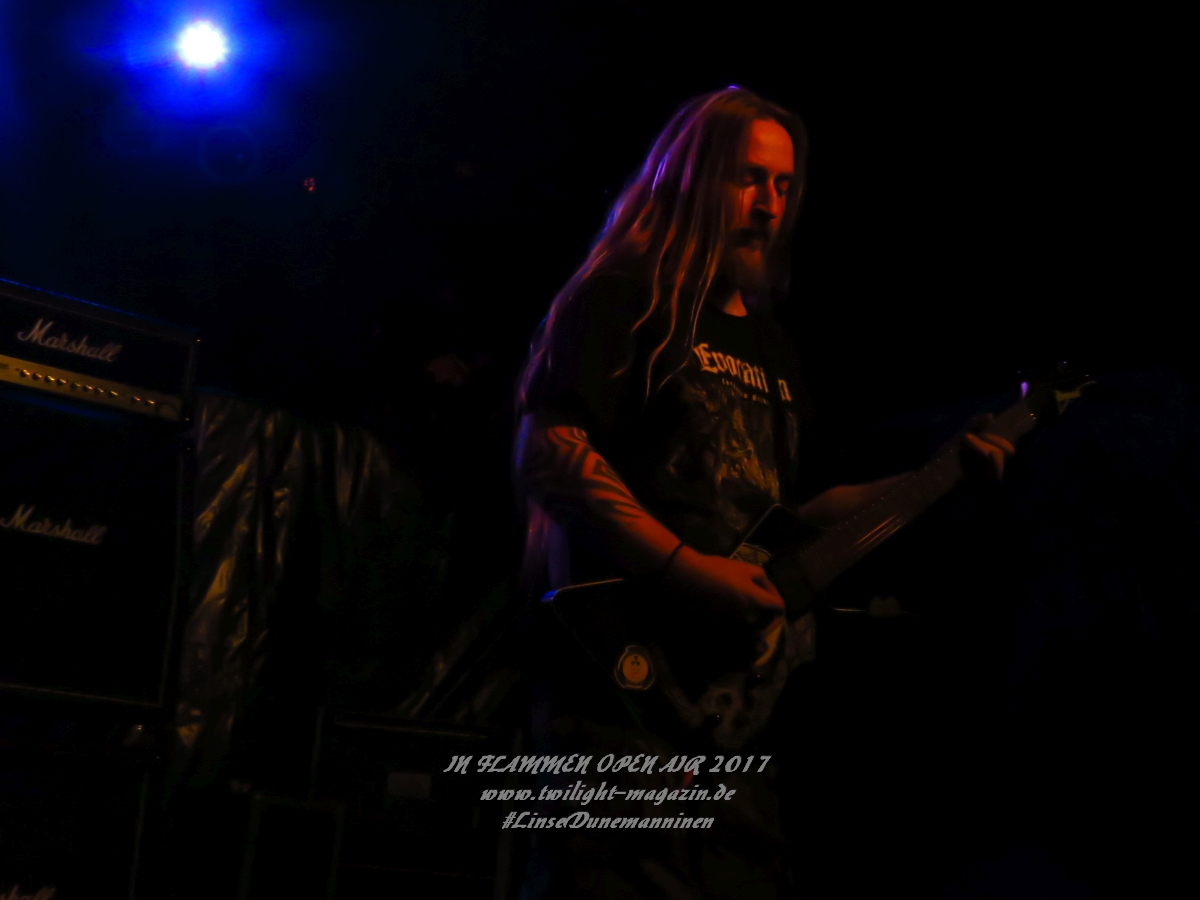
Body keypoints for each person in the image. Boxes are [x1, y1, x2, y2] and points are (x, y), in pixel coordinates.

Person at [511, 87, 1013, 899]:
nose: (769, 204)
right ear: (691, 177)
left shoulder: (772, 345)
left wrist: (940, 476)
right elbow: (551, 456)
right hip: (619, 700)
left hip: (729, 720)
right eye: (748, 178)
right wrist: (687, 570)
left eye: (783, 185)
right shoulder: (623, 297)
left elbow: (800, 513)